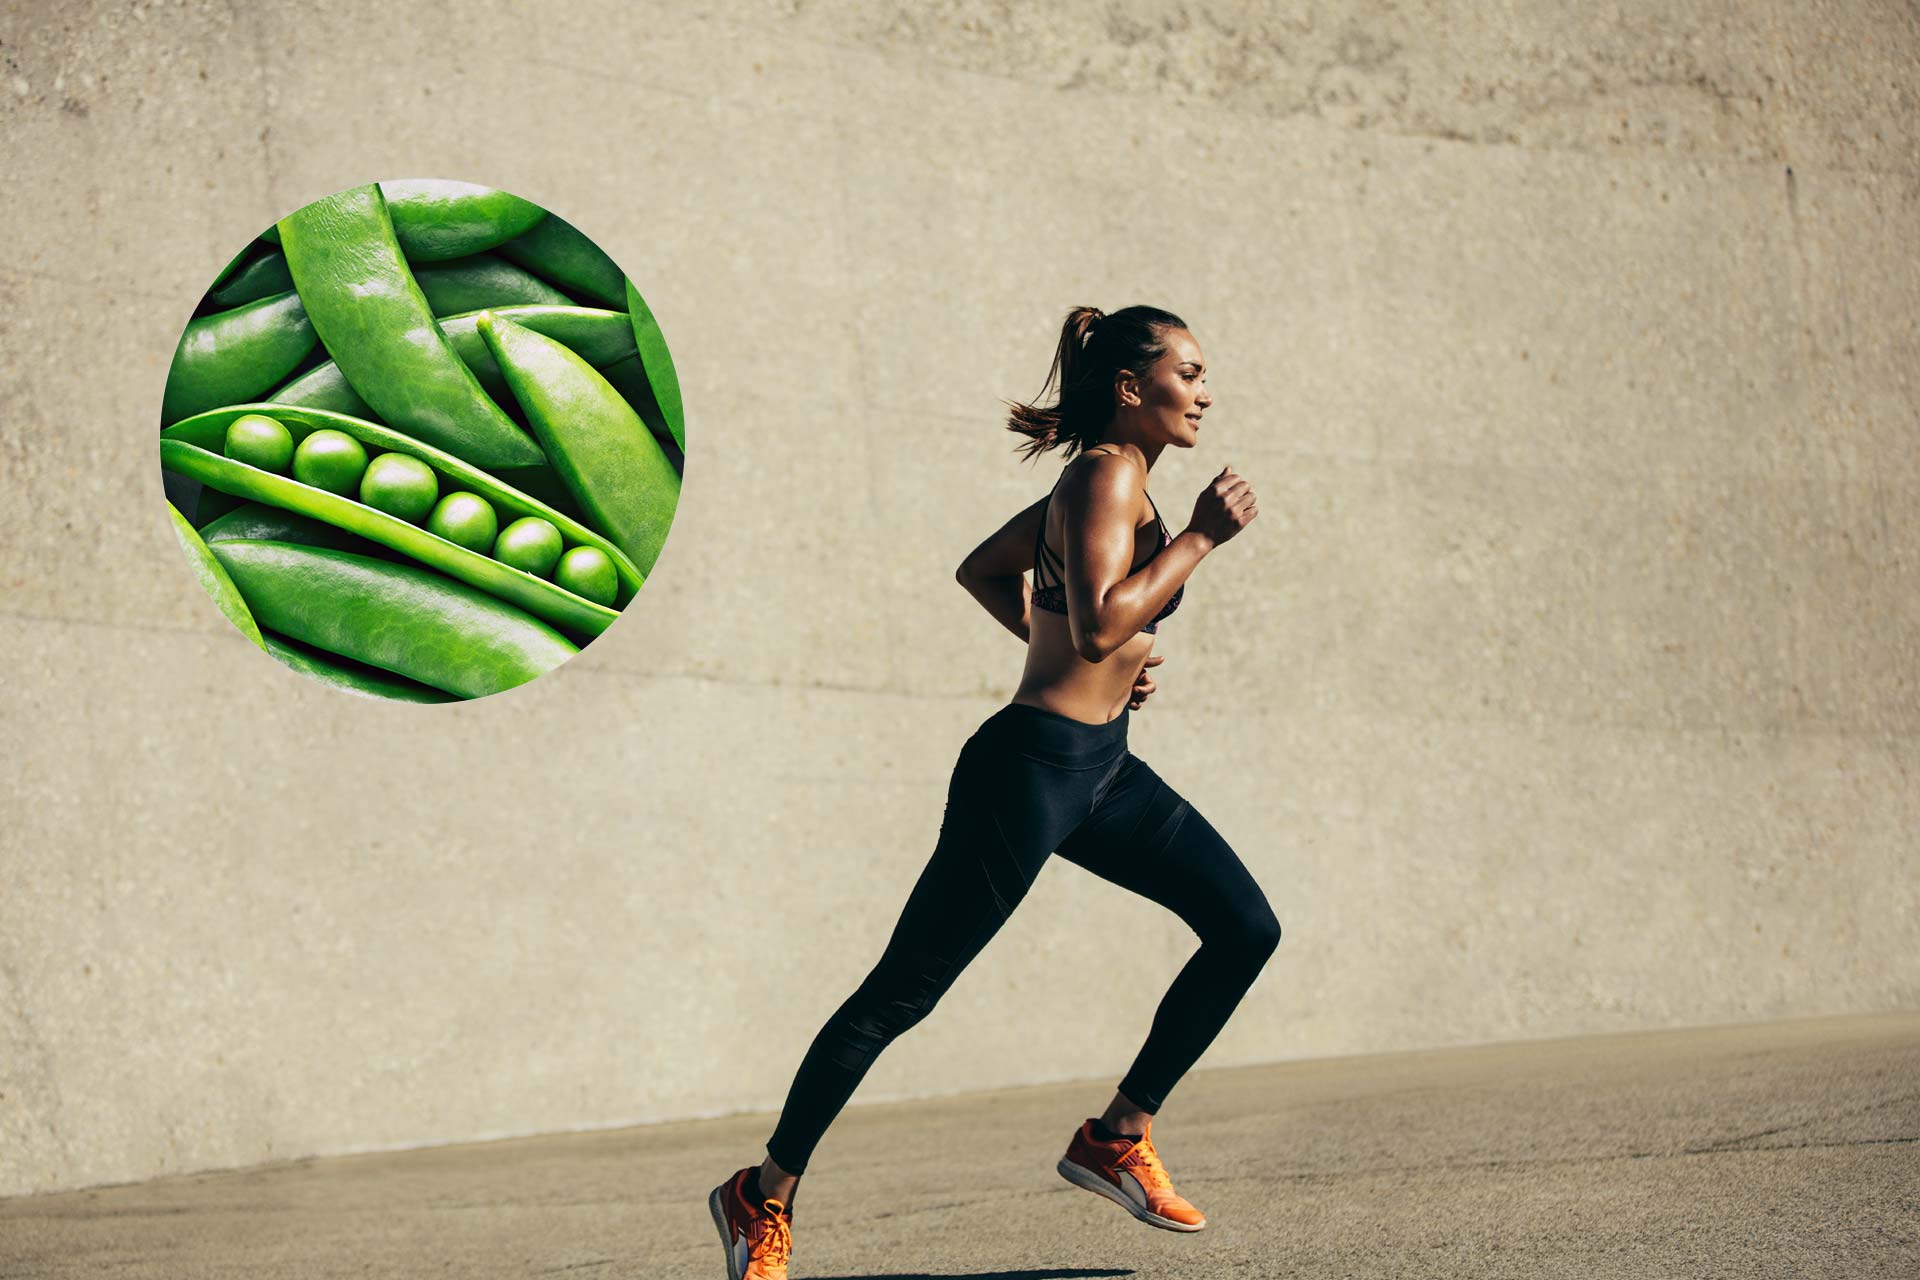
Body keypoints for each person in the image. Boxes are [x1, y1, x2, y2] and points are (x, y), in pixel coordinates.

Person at [709, 305, 1280, 1279]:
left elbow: (992, 574)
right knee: (901, 993)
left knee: (1245, 926)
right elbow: (1100, 622)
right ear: (1132, 387)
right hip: (1029, 774)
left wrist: (1078, 655)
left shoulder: (1114, 483)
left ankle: (1116, 1133)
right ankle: (761, 1191)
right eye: (1188, 372)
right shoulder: (1105, 475)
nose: (1205, 391)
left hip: (1104, 768)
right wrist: (1198, 543)